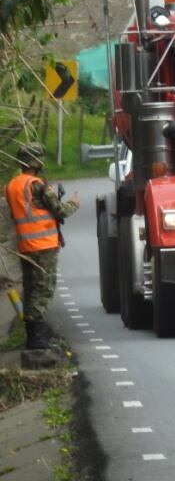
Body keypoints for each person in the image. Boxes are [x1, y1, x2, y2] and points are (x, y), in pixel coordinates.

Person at [5, 142, 79, 350]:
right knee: (43, 290)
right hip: (44, 247)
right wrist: (73, 202)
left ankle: (33, 337)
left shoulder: (12, 186)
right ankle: (37, 339)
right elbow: (60, 211)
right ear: (37, 162)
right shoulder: (37, 185)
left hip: (25, 246)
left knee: (30, 289)